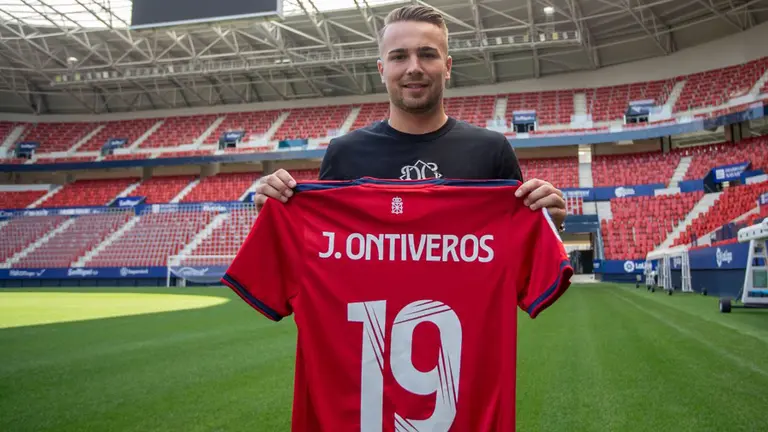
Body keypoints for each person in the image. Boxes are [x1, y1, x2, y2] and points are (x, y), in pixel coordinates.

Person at [255, 4, 566, 230]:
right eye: (399, 56)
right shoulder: (344, 154)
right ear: (382, 70)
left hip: (465, 320)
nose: (413, 67)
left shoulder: (491, 150)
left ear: (447, 67)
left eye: (427, 54)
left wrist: (546, 223)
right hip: (370, 319)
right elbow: (317, 251)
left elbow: (517, 261)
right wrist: (274, 216)